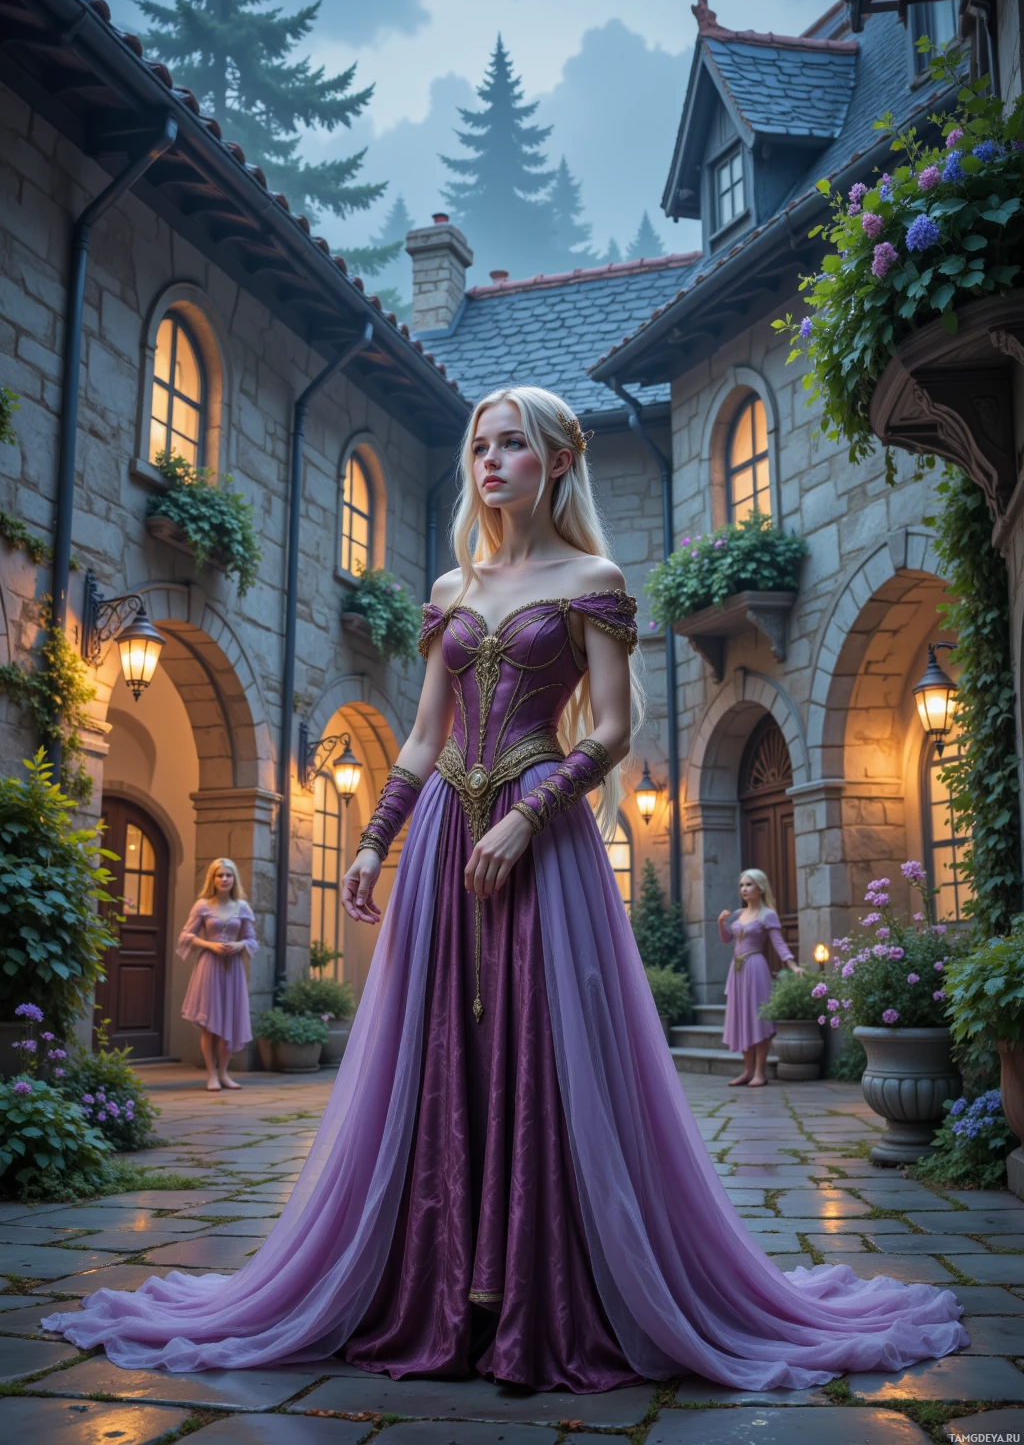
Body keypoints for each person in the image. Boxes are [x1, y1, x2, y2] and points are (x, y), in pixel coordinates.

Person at [43, 386, 966, 1391]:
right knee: (435, 1040)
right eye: (480, 446)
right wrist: (374, 841)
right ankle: (434, 1284)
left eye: (512, 445)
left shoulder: (592, 578)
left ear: (558, 460)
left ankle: (545, 1291)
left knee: (540, 1037)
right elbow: (423, 736)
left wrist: (530, 816)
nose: (489, 461)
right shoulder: (451, 586)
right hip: (444, 831)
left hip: (542, 829)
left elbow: (611, 729)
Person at [177, 858, 257, 1091]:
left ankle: (224, 1073)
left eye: (228, 875)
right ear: (212, 879)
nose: (224, 879)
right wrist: (210, 945)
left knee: (229, 1020)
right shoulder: (202, 905)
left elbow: (252, 940)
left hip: (233, 970)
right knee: (210, 1025)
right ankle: (211, 1074)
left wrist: (239, 945)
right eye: (219, 875)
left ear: (234, 879)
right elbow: (186, 936)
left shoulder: (242, 907)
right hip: (209, 968)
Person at [719, 869, 803, 1088]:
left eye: (749, 885)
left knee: (758, 1019)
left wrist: (793, 965)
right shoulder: (738, 914)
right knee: (742, 1019)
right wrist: (721, 923)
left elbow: (779, 944)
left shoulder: (768, 915)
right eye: (741, 885)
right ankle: (747, 1071)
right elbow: (727, 939)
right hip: (737, 970)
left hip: (756, 968)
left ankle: (760, 1072)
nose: (744, 889)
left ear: (760, 887)